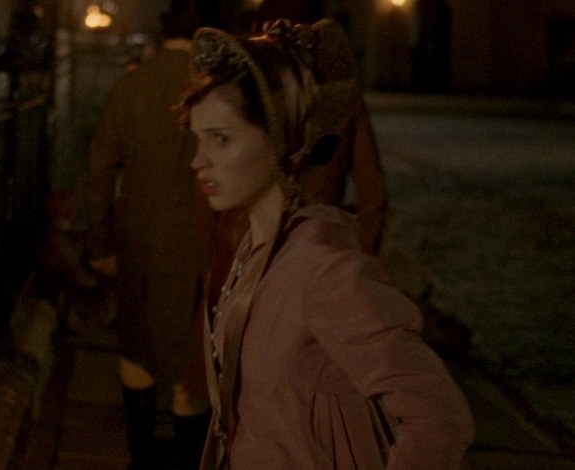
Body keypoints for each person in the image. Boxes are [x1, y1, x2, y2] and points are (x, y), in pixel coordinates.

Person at [179, 19, 474, 469]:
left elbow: (438, 415)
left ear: (278, 140)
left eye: (221, 139)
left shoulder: (325, 270)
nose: (199, 161)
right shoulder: (250, 253)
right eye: (198, 140)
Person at [85, 2, 216, 469]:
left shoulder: (132, 85)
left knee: (137, 348)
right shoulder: (213, 91)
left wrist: (99, 244)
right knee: (189, 362)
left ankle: (141, 458)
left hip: (139, 238)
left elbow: (100, 171)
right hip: (197, 243)